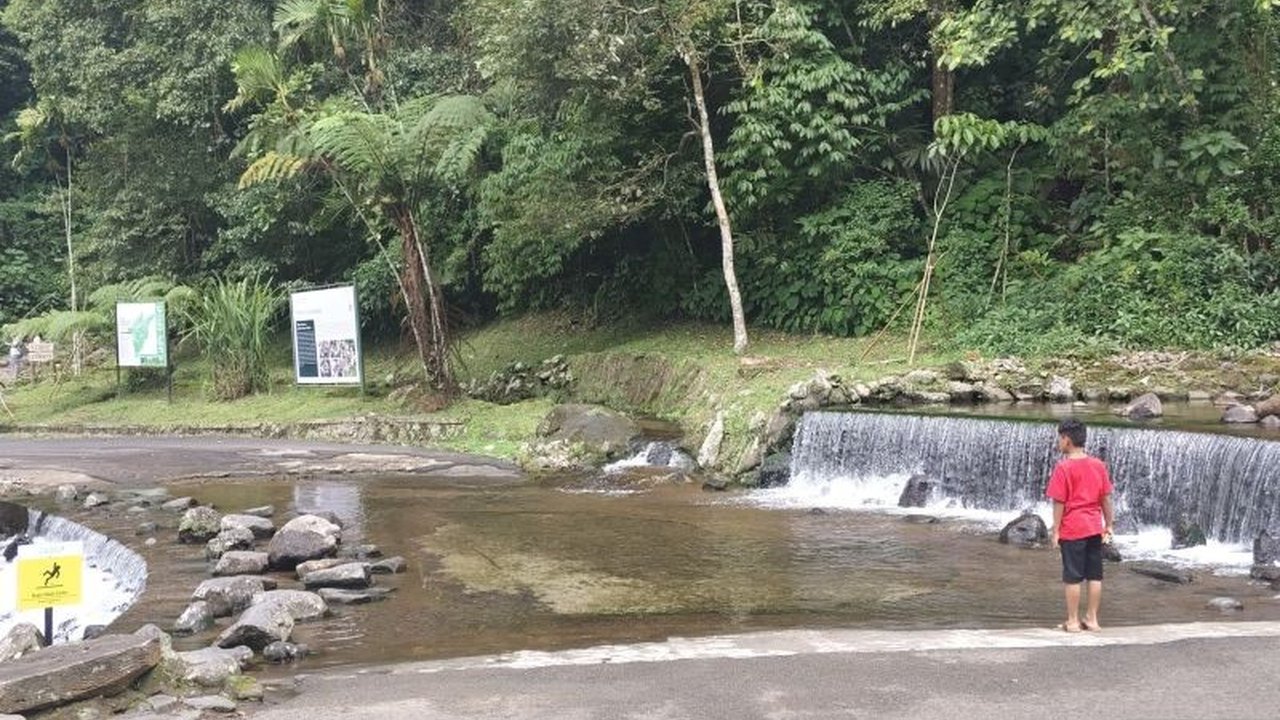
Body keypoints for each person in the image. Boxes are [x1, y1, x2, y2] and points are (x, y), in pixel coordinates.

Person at [1046, 419, 1114, 632]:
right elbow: (1106, 499)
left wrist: (1056, 530)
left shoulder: (1063, 468)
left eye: (1060, 438)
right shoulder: (1098, 465)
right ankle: (1092, 619)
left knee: (1073, 576)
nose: (1059, 442)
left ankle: (1073, 620)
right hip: (1095, 527)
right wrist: (1109, 524)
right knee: (1095, 575)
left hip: (1073, 528)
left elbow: (1059, 502)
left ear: (1066, 439)